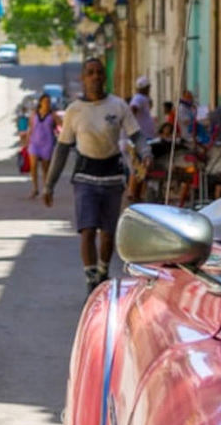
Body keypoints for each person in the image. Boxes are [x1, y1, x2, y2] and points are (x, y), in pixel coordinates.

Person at [44, 57, 152, 294]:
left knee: (107, 234)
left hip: (112, 177)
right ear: (83, 78)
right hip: (85, 178)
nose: (95, 77)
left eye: (99, 73)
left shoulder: (118, 106)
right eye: (90, 73)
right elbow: (62, 149)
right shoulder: (74, 111)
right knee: (87, 229)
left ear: (105, 77)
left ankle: (103, 271)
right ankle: (91, 278)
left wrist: (145, 152)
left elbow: (136, 135)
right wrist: (49, 184)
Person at [25, 92, 58, 199]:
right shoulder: (34, 114)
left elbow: (62, 126)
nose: (46, 104)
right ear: (40, 102)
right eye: (44, 102)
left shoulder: (53, 115)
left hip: (47, 144)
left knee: (45, 169)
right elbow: (30, 128)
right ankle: (35, 188)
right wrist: (26, 141)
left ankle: (46, 189)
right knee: (33, 166)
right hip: (34, 143)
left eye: (48, 102)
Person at [129, 75, 157, 139]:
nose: (149, 89)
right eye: (148, 87)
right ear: (145, 88)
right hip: (143, 135)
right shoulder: (138, 98)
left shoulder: (144, 98)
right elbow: (133, 110)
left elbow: (150, 105)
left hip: (146, 135)